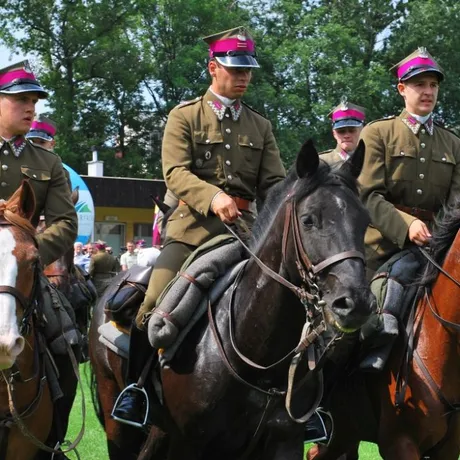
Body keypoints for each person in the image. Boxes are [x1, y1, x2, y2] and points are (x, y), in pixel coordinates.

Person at [112, 26, 286, 426]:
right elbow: (175, 172)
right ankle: (136, 389)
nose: (243, 76)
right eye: (234, 69)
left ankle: (294, 400)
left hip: (246, 234)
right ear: (212, 68)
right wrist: (213, 197)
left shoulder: (260, 126)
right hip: (191, 232)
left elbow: (274, 183)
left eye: (248, 70)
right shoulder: (185, 115)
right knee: (153, 302)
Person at [358, 47, 460, 371]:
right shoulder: (378, 133)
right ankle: (325, 401)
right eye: (419, 84)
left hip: (436, 251)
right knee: (357, 321)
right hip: (383, 249)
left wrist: (438, 236)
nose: (428, 91)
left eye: (433, 85)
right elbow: (367, 196)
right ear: (402, 89)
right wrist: (406, 226)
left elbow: (457, 206)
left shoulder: (453, 143)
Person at [0, 60, 78, 457]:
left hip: (23, 273)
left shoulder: (49, 163)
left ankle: (51, 443)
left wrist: (27, 255)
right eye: (20, 100)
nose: (30, 108)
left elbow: (66, 222)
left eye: (33, 101)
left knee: (66, 345)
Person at [320, 98, 366, 165]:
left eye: (352, 130)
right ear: (334, 134)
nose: (346, 135)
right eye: (341, 131)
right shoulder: (321, 162)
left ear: (362, 131)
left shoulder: (373, 160)